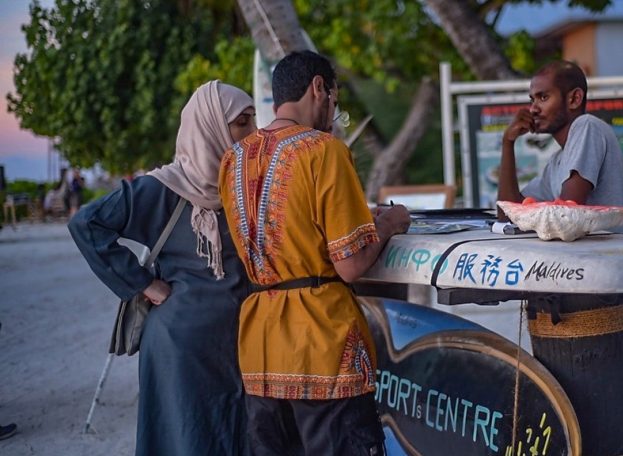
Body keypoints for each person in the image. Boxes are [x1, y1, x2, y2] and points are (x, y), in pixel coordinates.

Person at [219, 50, 411, 455]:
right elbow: (352, 264)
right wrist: (390, 223)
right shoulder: (323, 151)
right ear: (319, 88)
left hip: (260, 345)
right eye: (334, 100)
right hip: (322, 344)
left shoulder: (233, 159)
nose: (333, 112)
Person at [69, 80, 256, 456]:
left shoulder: (244, 189)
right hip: (181, 352)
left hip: (237, 347)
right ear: (211, 126)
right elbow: (86, 224)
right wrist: (144, 284)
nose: (252, 134)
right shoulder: (164, 188)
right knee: (187, 439)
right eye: (242, 123)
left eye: (253, 121)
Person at [497, 60, 623, 456]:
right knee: (615, 398)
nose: (533, 107)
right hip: (587, 294)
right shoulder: (555, 162)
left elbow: (570, 203)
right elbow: (507, 210)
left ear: (575, 98)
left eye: (543, 97)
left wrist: (533, 210)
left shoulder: (588, 128)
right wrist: (507, 143)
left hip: (609, 296)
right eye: (531, 98)